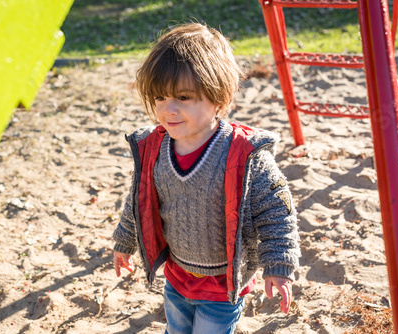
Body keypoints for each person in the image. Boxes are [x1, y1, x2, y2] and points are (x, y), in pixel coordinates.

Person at [112, 22, 300, 334]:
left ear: (218, 98)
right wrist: (124, 240)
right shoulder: (155, 149)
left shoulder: (244, 155)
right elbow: (139, 201)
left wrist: (279, 266)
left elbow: (277, 213)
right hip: (177, 276)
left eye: (183, 97)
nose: (168, 109)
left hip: (223, 286)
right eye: (159, 98)